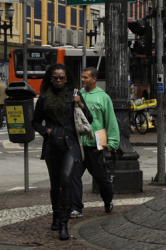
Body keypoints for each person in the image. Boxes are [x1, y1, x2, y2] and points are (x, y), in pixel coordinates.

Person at [32, 63, 93, 241]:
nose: (59, 80)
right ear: (50, 79)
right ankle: (56, 216)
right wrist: (47, 131)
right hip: (52, 144)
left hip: (70, 144)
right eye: (55, 77)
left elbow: (88, 118)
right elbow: (35, 122)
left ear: (67, 78)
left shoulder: (74, 94)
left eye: (62, 77)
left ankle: (64, 223)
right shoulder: (44, 98)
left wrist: (80, 104)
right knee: (55, 184)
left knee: (66, 179)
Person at [73, 66, 117, 217]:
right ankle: (76, 208)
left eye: (85, 77)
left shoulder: (103, 97)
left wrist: (112, 143)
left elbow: (111, 121)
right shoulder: (78, 95)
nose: (83, 80)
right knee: (74, 176)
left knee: (101, 178)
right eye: (82, 77)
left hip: (95, 146)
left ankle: (108, 199)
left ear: (94, 79)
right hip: (79, 145)